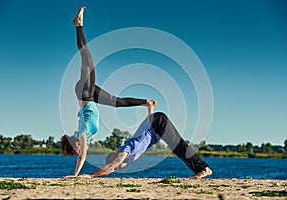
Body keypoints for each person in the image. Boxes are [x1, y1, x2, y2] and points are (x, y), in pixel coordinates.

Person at [61, 6, 156, 178]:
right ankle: (146, 102)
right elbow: (83, 152)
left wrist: (75, 175)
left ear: (73, 142)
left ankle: (78, 25)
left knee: (87, 58)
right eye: (77, 150)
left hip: (85, 93)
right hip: (89, 96)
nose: (79, 150)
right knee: (116, 102)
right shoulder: (84, 138)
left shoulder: (81, 135)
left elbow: (82, 157)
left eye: (75, 148)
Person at [79, 112, 212, 179]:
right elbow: (111, 168)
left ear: (116, 159)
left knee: (179, 145)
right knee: (177, 147)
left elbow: (110, 167)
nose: (121, 168)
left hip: (157, 121)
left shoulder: (125, 151)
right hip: (155, 123)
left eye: (118, 167)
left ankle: (204, 169)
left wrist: (91, 175)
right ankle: (201, 169)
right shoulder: (129, 157)